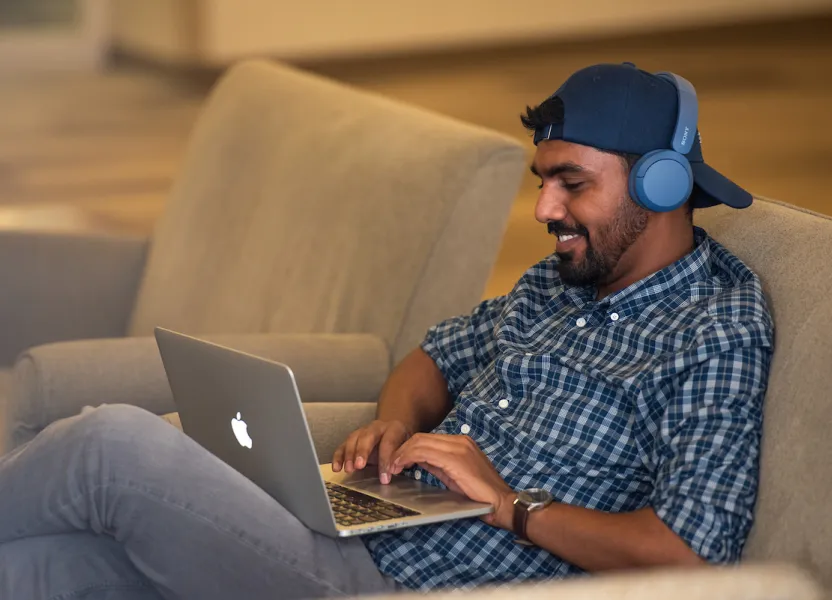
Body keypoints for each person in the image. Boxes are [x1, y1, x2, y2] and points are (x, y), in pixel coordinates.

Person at [0, 62, 773, 600]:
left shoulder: (714, 327)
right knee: (42, 568)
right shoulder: (558, 283)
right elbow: (432, 357)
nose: (543, 210)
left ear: (661, 184)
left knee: (112, 448)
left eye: (571, 183)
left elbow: (692, 552)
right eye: (543, 182)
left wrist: (511, 506)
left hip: (409, 588)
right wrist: (393, 421)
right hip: (356, 536)